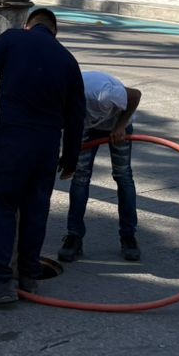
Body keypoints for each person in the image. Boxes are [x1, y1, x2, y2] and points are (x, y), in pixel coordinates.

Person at [0, 7, 85, 308]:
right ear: (54, 32)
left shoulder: (14, 39)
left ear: (29, 25)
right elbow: (76, 116)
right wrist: (70, 160)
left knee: (0, 205)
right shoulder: (68, 60)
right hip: (46, 147)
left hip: (12, 140)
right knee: (35, 209)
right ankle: (28, 274)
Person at [59, 72, 143, 263]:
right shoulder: (61, 101)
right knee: (79, 177)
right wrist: (68, 159)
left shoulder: (102, 95)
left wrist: (121, 125)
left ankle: (128, 236)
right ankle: (74, 236)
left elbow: (135, 95)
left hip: (116, 121)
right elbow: (66, 132)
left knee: (123, 175)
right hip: (87, 126)